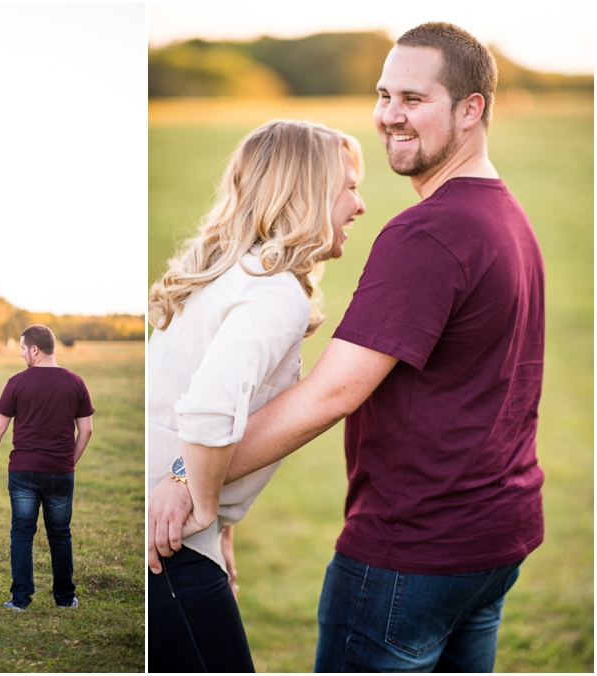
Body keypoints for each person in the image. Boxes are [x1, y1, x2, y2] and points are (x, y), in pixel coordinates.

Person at [148, 22, 546, 673]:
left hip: (412, 552)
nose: (390, 115)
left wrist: (188, 478)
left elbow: (333, 391)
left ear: (471, 109)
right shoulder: (506, 217)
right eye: (385, 95)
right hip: (494, 537)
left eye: (413, 99)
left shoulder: (428, 233)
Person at [147, 119, 366, 672]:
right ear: (310, 194)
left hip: (172, 531)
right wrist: (197, 507)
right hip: (168, 542)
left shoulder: (232, 273)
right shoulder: (275, 294)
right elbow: (206, 412)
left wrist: (222, 531)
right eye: (350, 187)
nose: (359, 206)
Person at [0, 324, 94, 610]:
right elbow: (86, 430)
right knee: (60, 534)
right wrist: (69, 463)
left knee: (22, 533)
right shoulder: (75, 382)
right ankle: (65, 599)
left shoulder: (17, 382)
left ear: (35, 349)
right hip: (60, 472)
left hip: (24, 472)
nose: (21, 354)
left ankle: (20, 600)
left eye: (22, 349)